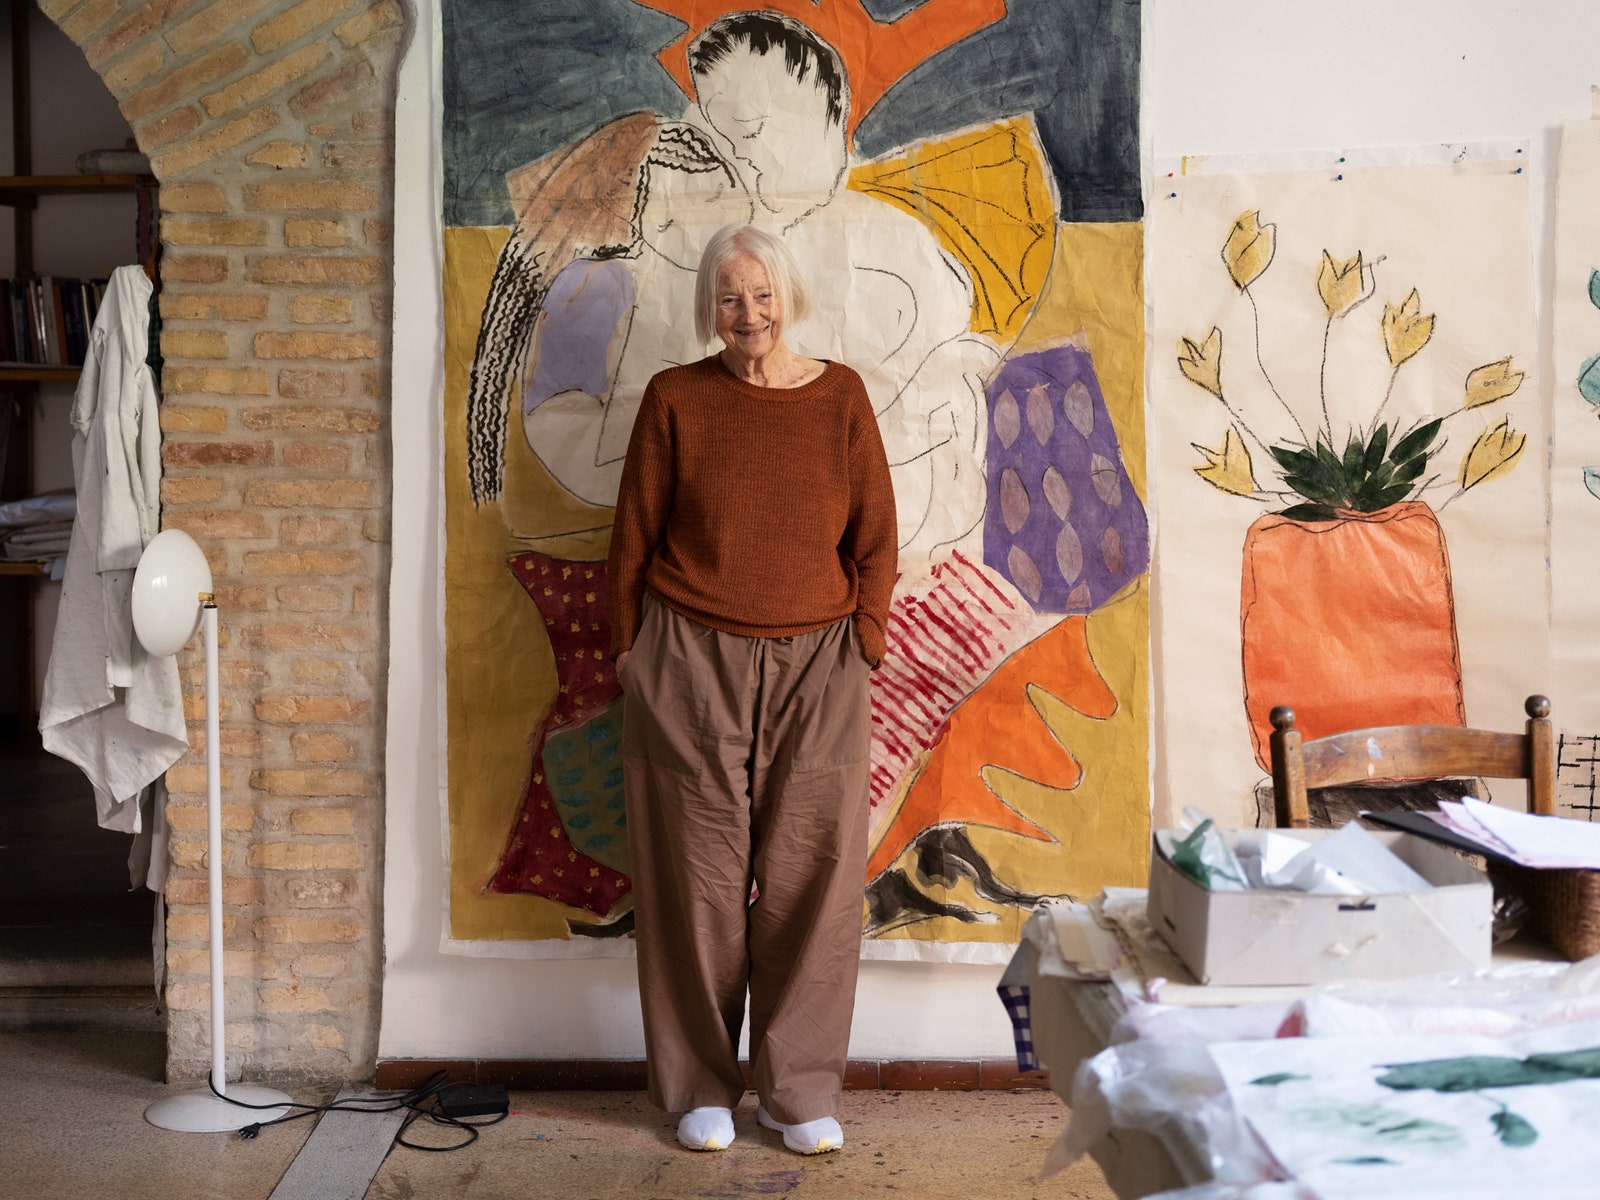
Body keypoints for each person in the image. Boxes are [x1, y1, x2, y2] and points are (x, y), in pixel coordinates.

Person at [606, 223, 897, 1155]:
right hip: (691, 660)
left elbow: (876, 536)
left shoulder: (841, 398)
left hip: (820, 661)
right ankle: (698, 1085)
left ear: (790, 298)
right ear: (710, 308)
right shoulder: (674, 399)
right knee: (697, 877)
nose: (749, 314)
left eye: (764, 295)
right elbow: (632, 540)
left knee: (813, 881)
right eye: (730, 298)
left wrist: (867, 640)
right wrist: (631, 657)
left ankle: (795, 1091)